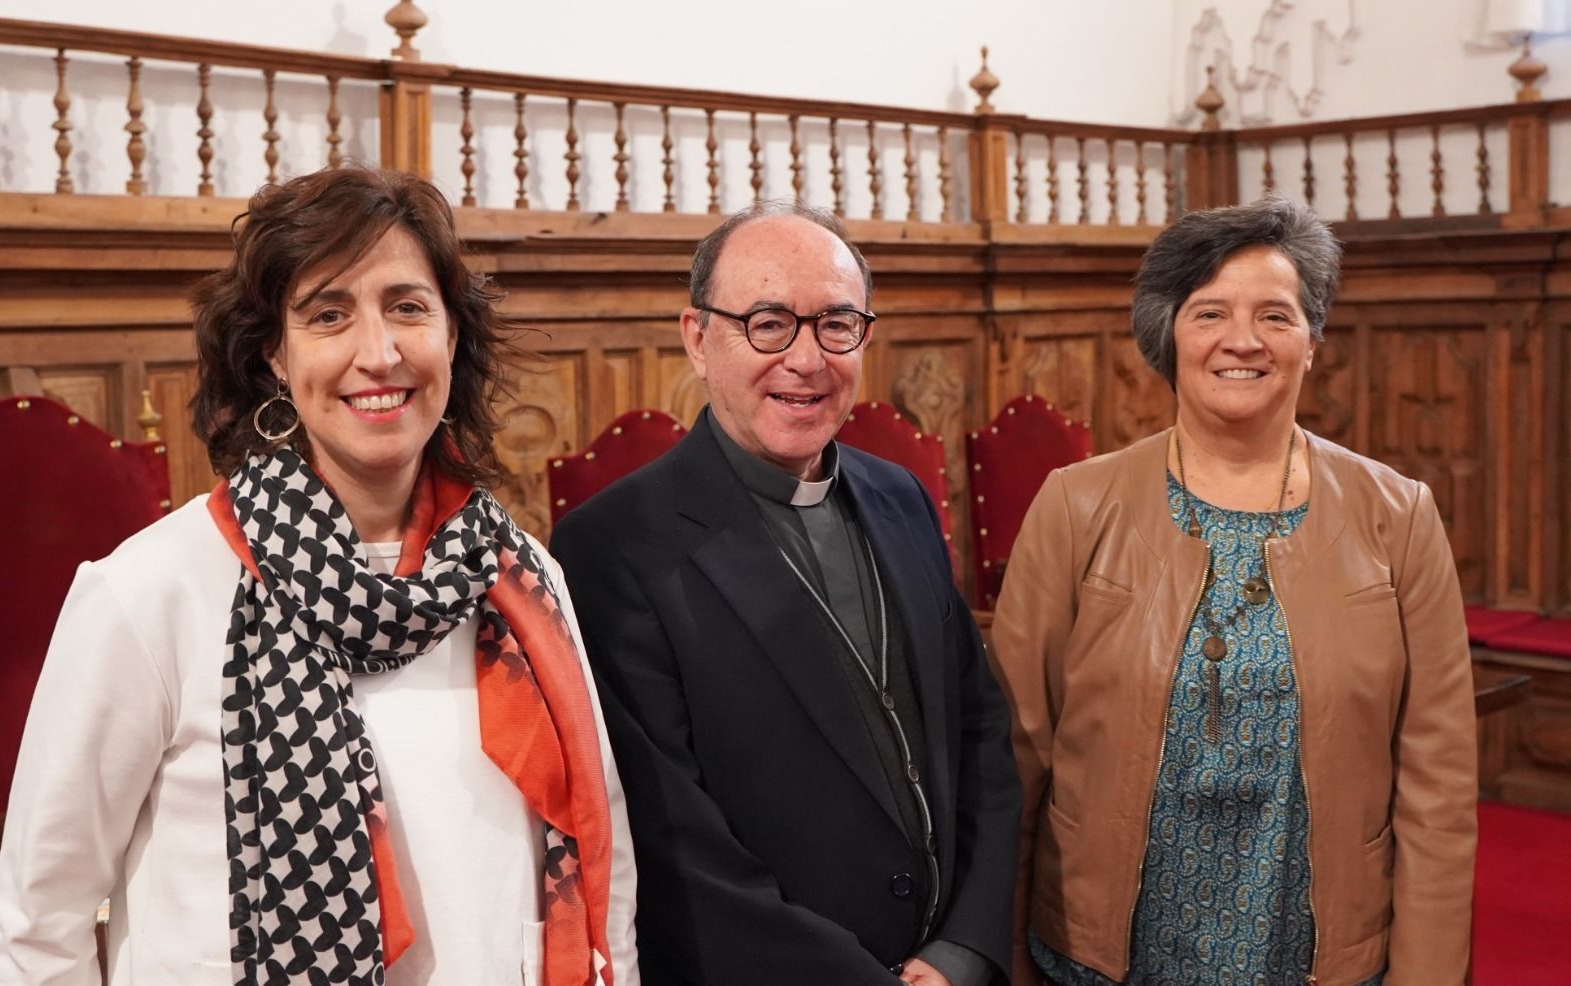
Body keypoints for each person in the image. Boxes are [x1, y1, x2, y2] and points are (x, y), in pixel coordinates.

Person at [0, 166, 638, 986]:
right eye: (330, 314)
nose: (380, 352)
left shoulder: (522, 577)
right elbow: (37, 933)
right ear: (274, 357)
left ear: (453, 336)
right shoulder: (152, 593)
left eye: (408, 306)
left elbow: (605, 871)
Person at [988, 195, 1476, 986]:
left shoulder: (1399, 516)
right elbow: (1014, 758)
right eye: (1210, 312)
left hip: (1317, 956)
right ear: (1168, 335)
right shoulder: (1077, 506)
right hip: (1102, 953)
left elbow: (1438, 789)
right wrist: (998, 955)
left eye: (1277, 316)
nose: (1242, 341)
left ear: (1312, 342)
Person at [550, 201, 1021, 986]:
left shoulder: (900, 495)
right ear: (698, 339)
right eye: (768, 323)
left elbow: (979, 732)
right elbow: (671, 846)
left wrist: (965, 949)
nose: (806, 359)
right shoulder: (614, 546)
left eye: (837, 324)